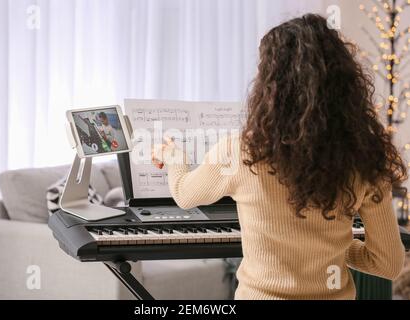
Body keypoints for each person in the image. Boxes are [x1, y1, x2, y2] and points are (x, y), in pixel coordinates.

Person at [151, 14, 407, 300]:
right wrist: (334, 245)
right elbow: (388, 264)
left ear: (270, 87)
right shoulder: (365, 160)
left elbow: (185, 195)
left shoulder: (239, 151)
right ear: (344, 84)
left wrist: (174, 155)